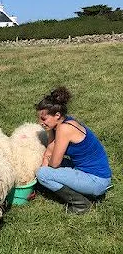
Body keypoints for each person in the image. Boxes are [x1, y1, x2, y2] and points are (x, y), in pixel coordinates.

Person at [35, 86, 112, 214]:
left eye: (44, 119)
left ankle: (81, 204)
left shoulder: (64, 129)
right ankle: (84, 193)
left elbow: (54, 164)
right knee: (45, 168)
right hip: (90, 173)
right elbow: (50, 150)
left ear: (57, 115)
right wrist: (46, 157)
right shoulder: (64, 122)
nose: (40, 123)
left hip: (96, 180)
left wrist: (45, 168)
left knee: (42, 174)